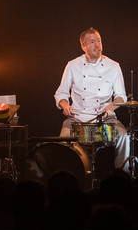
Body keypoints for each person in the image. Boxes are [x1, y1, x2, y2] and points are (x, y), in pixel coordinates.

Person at [54, 27, 130, 170]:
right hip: (77, 119)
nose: (97, 45)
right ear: (83, 46)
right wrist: (65, 106)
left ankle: (123, 175)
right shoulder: (72, 65)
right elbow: (61, 94)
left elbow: (121, 96)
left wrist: (111, 107)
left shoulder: (113, 67)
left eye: (99, 41)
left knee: (124, 136)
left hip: (104, 121)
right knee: (63, 139)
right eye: (92, 42)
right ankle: (65, 174)